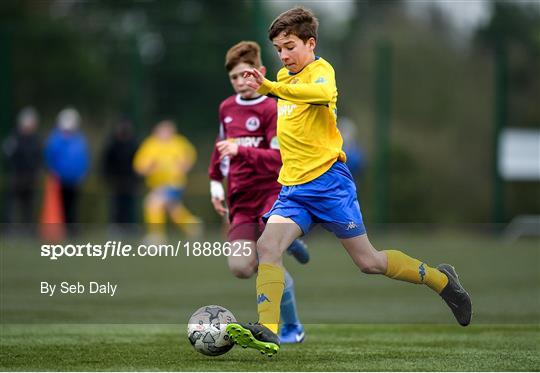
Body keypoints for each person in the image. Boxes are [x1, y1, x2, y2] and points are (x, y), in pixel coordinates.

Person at [226, 7, 472, 356]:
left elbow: (321, 95)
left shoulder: (321, 71)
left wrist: (269, 87)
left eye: (290, 46)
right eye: (279, 48)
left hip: (329, 184)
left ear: (311, 43)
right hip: (294, 190)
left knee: (369, 262)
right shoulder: (283, 78)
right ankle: (268, 329)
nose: (284, 55)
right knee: (267, 247)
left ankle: (442, 280)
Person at [208, 41, 309, 344]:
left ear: (261, 72)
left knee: (268, 252)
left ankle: (292, 327)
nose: (241, 82)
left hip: (271, 193)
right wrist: (215, 183)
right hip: (241, 198)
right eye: (235, 78)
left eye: (247, 75)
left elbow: (277, 158)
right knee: (240, 267)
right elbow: (221, 147)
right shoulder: (226, 107)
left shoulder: (271, 107)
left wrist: (241, 150)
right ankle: (287, 247)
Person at [133, 120, 200, 240]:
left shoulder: (179, 142)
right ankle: (192, 225)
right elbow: (139, 166)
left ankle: (156, 236)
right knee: (173, 209)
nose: (166, 133)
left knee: (152, 203)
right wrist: (148, 168)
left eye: (168, 131)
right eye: (163, 131)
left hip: (174, 183)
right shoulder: (150, 144)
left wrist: (184, 166)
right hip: (156, 184)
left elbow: (190, 156)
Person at [44, 107, 90, 233]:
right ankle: (61, 229)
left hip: (75, 178)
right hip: (60, 178)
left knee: (73, 204)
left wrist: (83, 172)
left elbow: (83, 158)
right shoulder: (56, 139)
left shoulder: (79, 139)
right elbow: (50, 157)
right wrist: (53, 172)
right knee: (61, 205)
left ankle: (72, 228)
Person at [2, 107, 42, 226]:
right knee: (12, 204)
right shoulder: (14, 137)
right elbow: (7, 154)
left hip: (30, 175)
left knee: (28, 204)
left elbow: (39, 157)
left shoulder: (36, 139)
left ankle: (28, 229)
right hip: (17, 175)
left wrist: (37, 171)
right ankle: (9, 228)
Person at [101, 118, 140, 231]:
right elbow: (106, 162)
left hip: (130, 180)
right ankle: (116, 226)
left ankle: (130, 225)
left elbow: (139, 162)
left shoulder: (133, 144)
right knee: (116, 204)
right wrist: (107, 177)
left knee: (130, 204)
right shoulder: (112, 144)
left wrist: (137, 178)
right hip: (116, 180)